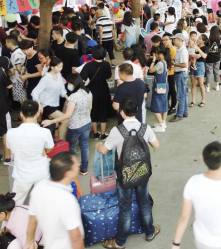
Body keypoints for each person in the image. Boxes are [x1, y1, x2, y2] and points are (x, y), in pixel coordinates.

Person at [95, 98, 161, 248]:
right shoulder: (145, 128)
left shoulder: (117, 131)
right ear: (136, 110)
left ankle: (120, 242)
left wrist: (98, 145)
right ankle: (150, 232)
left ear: (122, 112)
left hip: (124, 176)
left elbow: (104, 150)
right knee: (144, 203)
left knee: (125, 209)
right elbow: (156, 145)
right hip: (142, 173)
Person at [25, 152, 85, 249]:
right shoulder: (67, 200)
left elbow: (32, 218)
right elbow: (76, 238)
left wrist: (29, 242)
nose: (78, 167)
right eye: (76, 165)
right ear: (68, 173)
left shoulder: (40, 187)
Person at [6, 99, 53, 205]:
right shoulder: (45, 132)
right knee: (42, 202)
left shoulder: (11, 133)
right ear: (38, 113)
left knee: (16, 202)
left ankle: (16, 215)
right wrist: (44, 150)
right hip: (41, 173)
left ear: (21, 114)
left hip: (21, 175)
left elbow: (10, 148)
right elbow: (49, 148)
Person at [80, 46, 112, 140]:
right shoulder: (106, 64)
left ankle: (95, 133)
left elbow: (82, 79)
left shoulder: (88, 65)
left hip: (91, 90)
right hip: (103, 89)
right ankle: (103, 134)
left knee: (93, 111)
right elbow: (108, 76)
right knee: (103, 110)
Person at [32, 57, 69, 139]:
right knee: (65, 120)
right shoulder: (46, 79)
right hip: (46, 105)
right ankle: (61, 141)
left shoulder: (59, 75)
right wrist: (39, 104)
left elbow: (62, 90)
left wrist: (69, 99)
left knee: (53, 125)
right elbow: (35, 92)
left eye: (61, 67)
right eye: (58, 67)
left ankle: (57, 142)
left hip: (55, 104)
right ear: (52, 67)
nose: (60, 69)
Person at [148, 46, 170, 132]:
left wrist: (153, 60)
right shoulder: (165, 62)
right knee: (164, 103)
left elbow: (150, 70)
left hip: (159, 86)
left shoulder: (160, 63)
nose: (156, 55)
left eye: (157, 54)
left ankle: (160, 125)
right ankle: (163, 122)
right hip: (164, 84)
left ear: (161, 54)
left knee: (156, 105)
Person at [170, 33, 190, 122]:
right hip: (180, 74)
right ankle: (185, 111)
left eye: (174, 39)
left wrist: (174, 63)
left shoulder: (182, 51)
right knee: (183, 94)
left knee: (180, 95)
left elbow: (184, 64)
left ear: (179, 40)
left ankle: (179, 114)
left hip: (181, 74)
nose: (173, 41)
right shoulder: (179, 49)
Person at [189, 34, 208, 107]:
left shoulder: (205, 48)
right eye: (198, 38)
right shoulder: (195, 45)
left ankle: (203, 100)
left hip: (200, 65)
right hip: (193, 63)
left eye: (200, 38)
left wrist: (198, 49)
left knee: (201, 84)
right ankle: (193, 100)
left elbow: (204, 56)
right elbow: (190, 53)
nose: (198, 39)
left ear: (203, 41)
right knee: (193, 84)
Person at [205, 26, 221, 92]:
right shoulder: (219, 39)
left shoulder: (208, 40)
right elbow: (220, 47)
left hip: (209, 58)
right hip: (217, 57)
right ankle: (217, 86)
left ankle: (208, 87)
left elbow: (206, 47)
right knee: (216, 71)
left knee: (208, 72)